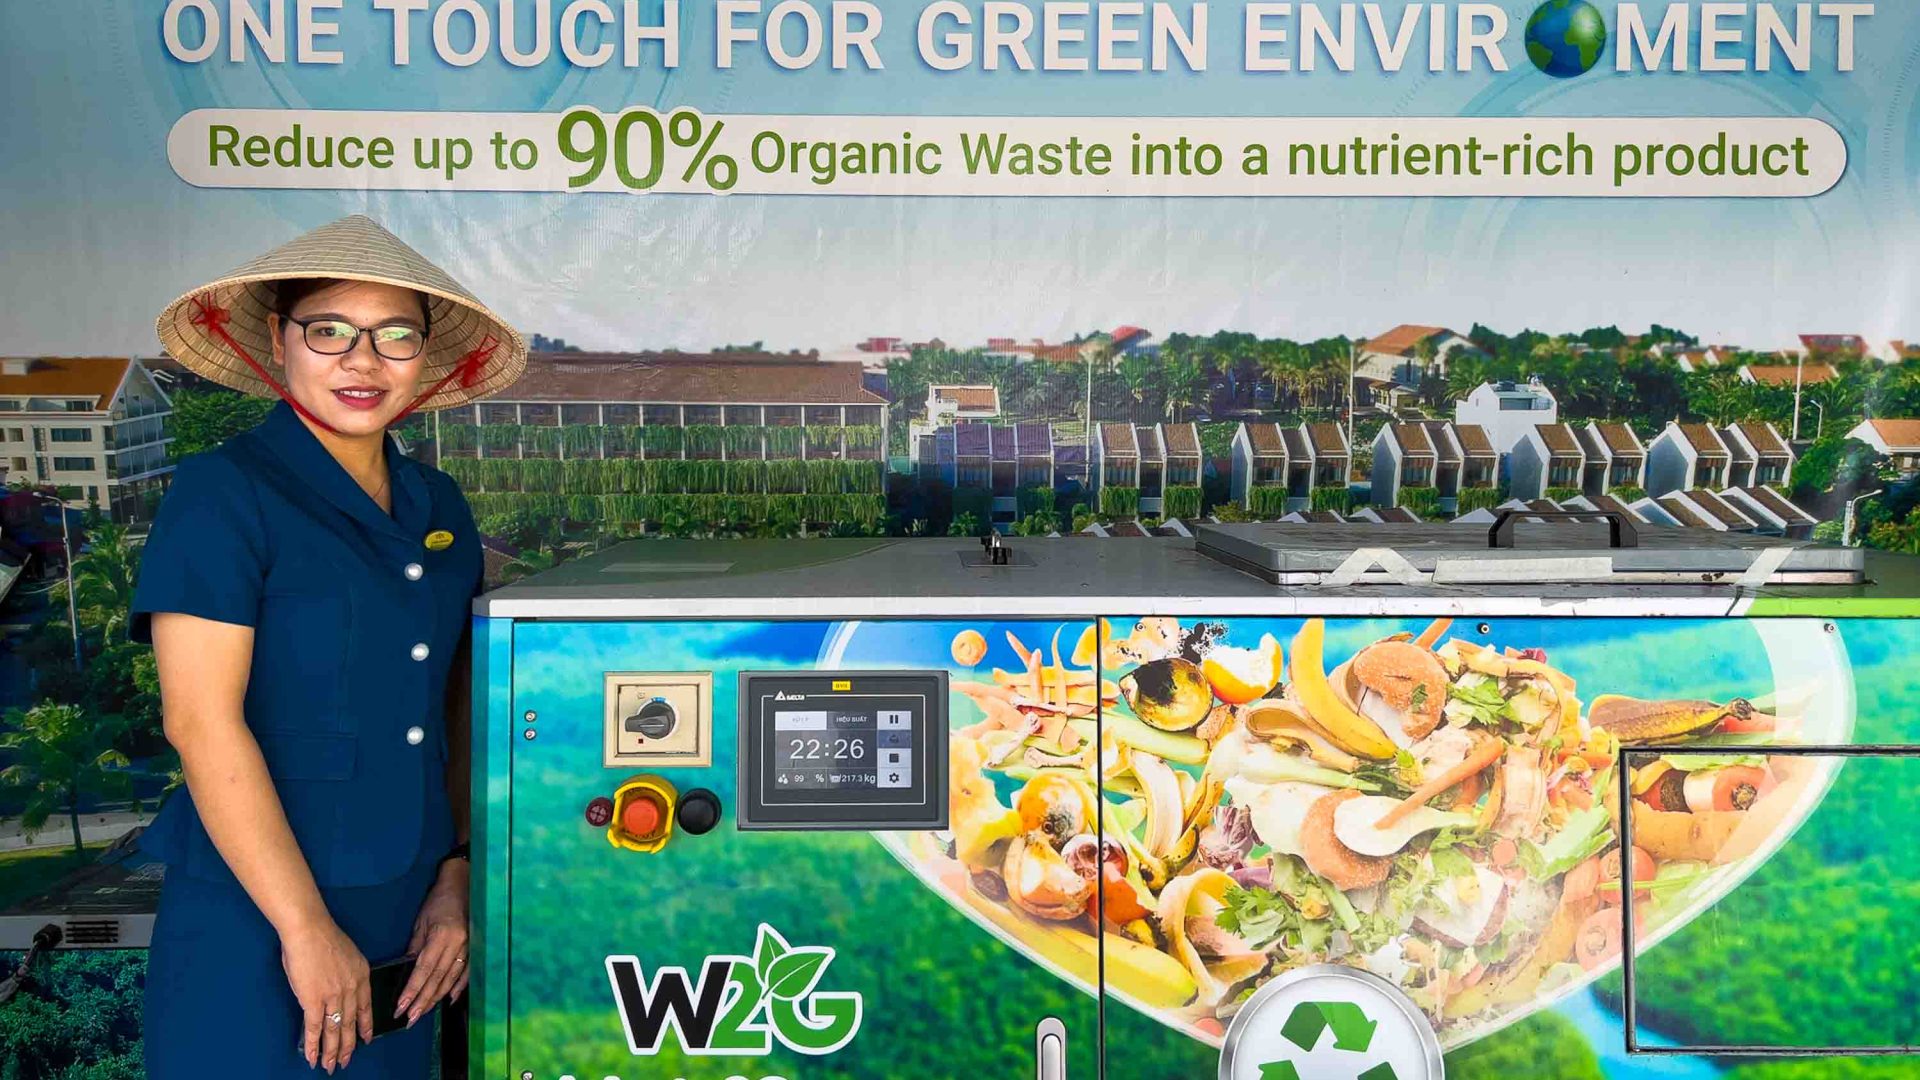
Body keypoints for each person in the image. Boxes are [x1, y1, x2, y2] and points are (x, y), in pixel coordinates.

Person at [133, 215, 526, 1077]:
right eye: (329, 332)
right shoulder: (223, 491)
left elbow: (457, 701)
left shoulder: (439, 503)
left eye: (395, 337)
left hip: (413, 910)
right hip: (257, 913)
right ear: (278, 341)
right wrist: (306, 930)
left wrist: (457, 874)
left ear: (425, 357)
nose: (362, 361)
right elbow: (200, 724)